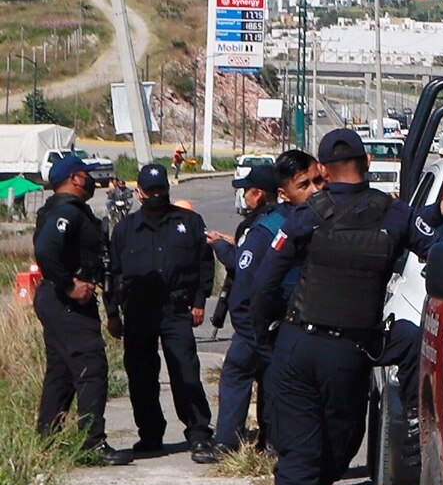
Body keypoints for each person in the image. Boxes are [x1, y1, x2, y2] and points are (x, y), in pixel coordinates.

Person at [235, 128, 435, 485]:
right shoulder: (394, 214)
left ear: (322, 169)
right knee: (337, 449)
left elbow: (265, 282)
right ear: (366, 160)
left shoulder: (307, 216)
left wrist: (266, 341)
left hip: (298, 346)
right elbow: (437, 252)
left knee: (302, 457)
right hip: (348, 354)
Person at [107, 161, 218, 461]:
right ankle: (150, 435)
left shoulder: (190, 222)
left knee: (186, 372)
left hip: (176, 308)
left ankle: (198, 435)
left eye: (161, 189)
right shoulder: (125, 229)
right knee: (141, 376)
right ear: (140, 192)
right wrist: (112, 313)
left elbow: (204, 264)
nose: (157, 194)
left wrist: (199, 301)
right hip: (138, 310)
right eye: (151, 190)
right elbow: (113, 273)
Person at [210, 153, 316, 457]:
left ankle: (227, 442)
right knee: (273, 381)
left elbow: (246, 281)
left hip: (260, 322)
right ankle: (273, 442)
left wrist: (247, 325)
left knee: (237, 373)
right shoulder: (300, 220)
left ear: (258, 193)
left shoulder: (265, 228)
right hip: (292, 318)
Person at [28, 152, 115, 464]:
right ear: (76, 178)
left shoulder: (60, 210)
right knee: (92, 368)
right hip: (65, 300)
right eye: (87, 174)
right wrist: (69, 285)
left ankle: (47, 441)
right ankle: (91, 443)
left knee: (62, 373)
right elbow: (46, 249)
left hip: (55, 300)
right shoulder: (68, 212)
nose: (91, 180)